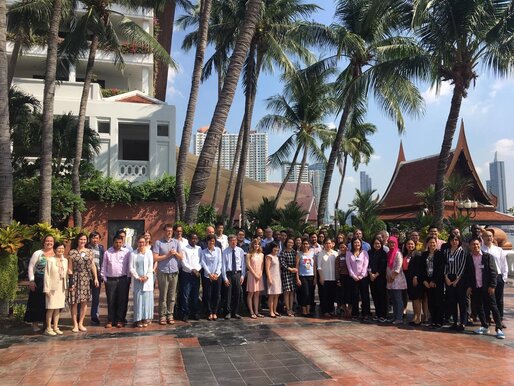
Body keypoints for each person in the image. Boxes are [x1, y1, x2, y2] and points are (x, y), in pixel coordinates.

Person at [468, 238, 505, 339]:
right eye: (473, 244)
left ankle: (499, 329)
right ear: (470, 246)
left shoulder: (487, 257)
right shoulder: (469, 258)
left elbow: (494, 273)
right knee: (479, 307)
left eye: (477, 244)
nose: (475, 246)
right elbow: (468, 274)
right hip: (476, 287)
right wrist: (470, 287)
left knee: (493, 307)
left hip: (487, 287)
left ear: (480, 244)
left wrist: (492, 286)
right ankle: (484, 325)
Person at [69, 233, 99, 332]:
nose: (83, 241)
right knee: (74, 302)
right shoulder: (72, 252)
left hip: (86, 278)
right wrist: (71, 282)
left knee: (84, 302)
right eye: (81, 239)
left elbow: (93, 265)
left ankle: (81, 323)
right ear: (77, 240)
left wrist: (95, 278)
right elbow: (70, 269)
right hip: (75, 278)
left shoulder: (90, 252)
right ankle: (75, 324)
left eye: (84, 239)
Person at [153, 224, 183, 325]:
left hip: (174, 271)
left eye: (171, 231)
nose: (169, 232)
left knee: (172, 296)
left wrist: (175, 253)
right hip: (163, 272)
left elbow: (181, 257)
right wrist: (167, 255)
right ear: (164, 231)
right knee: (163, 295)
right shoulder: (158, 243)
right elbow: (155, 258)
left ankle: (170, 315)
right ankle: (162, 316)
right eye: (167, 230)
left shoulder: (176, 242)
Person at [25, 235, 54, 332]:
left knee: (49, 304)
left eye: (51, 241)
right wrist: (32, 280)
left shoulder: (56, 253)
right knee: (36, 303)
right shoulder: (38, 253)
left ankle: (48, 325)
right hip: (39, 280)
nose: (49, 242)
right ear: (44, 242)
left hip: (51, 282)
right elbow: (31, 267)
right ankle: (35, 324)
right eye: (47, 241)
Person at [101, 235, 131, 328]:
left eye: (120, 242)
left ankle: (120, 320)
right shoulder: (107, 252)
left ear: (122, 243)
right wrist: (104, 278)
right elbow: (104, 266)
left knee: (122, 300)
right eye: (116, 242)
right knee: (111, 300)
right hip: (111, 280)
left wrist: (128, 278)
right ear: (113, 242)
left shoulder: (127, 252)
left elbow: (129, 266)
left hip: (123, 279)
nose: (118, 244)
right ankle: (110, 320)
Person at [481, 229, 508, 328]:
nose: (489, 238)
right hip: (486, 278)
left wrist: (504, 278)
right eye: (486, 236)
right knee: (486, 299)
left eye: (490, 236)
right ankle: (487, 319)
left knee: (499, 300)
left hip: (498, 277)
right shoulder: (480, 250)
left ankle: (500, 320)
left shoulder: (498, 250)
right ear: (482, 238)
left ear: (493, 238)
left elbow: (504, 264)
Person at [444, 234, 468, 331]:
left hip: (459, 278)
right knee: (452, 301)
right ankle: (455, 322)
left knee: (461, 302)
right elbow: (445, 265)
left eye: (456, 240)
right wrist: (446, 277)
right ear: (449, 241)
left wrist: (457, 280)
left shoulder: (462, 251)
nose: (454, 242)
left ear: (459, 241)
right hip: (449, 277)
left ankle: (463, 322)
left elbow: (462, 266)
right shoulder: (446, 251)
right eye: (453, 240)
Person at [43, 242, 68, 336]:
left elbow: (66, 276)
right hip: (52, 287)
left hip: (61, 286)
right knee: (51, 308)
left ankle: (55, 327)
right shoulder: (50, 260)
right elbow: (47, 275)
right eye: (59, 248)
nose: (61, 250)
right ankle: (48, 328)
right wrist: (46, 289)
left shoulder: (65, 260)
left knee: (58, 308)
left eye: (62, 248)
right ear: (55, 249)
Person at [129, 235, 154, 328]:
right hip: (137, 281)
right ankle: (138, 319)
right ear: (137, 243)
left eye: (143, 242)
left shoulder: (149, 253)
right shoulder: (133, 254)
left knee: (146, 300)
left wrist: (146, 276)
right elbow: (131, 267)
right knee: (138, 300)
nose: (141, 244)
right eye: (139, 242)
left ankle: (145, 318)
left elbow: (150, 266)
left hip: (147, 280)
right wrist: (137, 277)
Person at [420, 236, 444, 327]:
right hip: (427, 281)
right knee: (431, 302)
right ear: (427, 244)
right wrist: (424, 281)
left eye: (434, 242)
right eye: (430, 242)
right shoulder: (424, 254)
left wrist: (434, 281)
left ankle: (439, 321)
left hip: (437, 282)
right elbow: (422, 269)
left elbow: (441, 269)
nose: (432, 244)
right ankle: (433, 320)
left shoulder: (440, 254)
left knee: (438, 301)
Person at [221, 235, 246, 319]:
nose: (234, 242)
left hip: (237, 274)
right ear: (228, 242)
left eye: (235, 240)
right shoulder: (225, 251)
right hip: (229, 274)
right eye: (232, 240)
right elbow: (223, 265)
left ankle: (235, 312)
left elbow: (243, 264)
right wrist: (224, 277)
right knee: (228, 293)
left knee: (237, 293)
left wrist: (242, 275)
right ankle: (227, 312)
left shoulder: (240, 251)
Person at [346, 238, 371, 319]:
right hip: (353, 278)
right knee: (355, 296)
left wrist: (361, 276)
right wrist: (353, 276)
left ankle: (366, 313)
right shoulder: (349, 253)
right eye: (355, 243)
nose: (357, 244)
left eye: (358, 242)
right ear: (352, 244)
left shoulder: (365, 253)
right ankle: (355, 313)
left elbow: (365, 265)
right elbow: (349, 266)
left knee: (365, 296)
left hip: (363, 278)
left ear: (361, 243)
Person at [179, 233, 202, 322]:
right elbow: (183, 262)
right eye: (192, 239)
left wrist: (197, 269)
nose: (194, 240)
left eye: (196, 239)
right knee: (185, 294)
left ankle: (195, 313)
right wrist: (192, 269)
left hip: (196, 274)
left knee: (195, 294)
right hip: (187, 274)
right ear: (188, 239)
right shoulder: (184, 249)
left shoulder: (199, 249)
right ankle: (185, 313)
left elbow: (201, 261)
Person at [386, 237, 407, 324]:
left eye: (393, 243)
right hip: (390, 280)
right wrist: (387, 277)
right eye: (390, 243)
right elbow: (387, 266)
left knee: (398, 299)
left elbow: (398, 266)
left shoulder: (398, 253)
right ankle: (395, 316)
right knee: (393, 299)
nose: (391, 244)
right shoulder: (389, 253)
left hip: (397, 280)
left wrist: (392, 277)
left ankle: (399, 317)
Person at [200, 235, 222, 321]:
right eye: (210, 241)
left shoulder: (218, 250)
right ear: (207, 242)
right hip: (207, 276)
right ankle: (209, 312)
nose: (211, 243)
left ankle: (215, 312)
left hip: (217, 275)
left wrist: (216, 273)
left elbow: (220, 262)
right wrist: (209, 274)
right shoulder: (203, 251)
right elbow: (203, 263)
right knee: (207, 295)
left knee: (217, 295)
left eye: (213, 241)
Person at [86, 231, 105, 326]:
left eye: (97, 238)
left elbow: (103, 261)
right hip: (86, 274)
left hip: (97, 274)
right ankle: (78, 316)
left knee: (96, 297)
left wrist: (101, 274)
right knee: (84, 297)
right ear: (90, 239)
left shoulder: (101, 248)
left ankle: (94, 317)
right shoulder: (85, 247)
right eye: (93, 238)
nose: (95, 240)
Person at [406, 239, 426, 326]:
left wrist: (415, 277)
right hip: (409, 280)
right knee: (413, 299)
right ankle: (415, 316)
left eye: (412, 244)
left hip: (416, 280)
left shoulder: (417, 254)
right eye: (408, 244)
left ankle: (418, 318)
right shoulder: (408, 254)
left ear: (415, 245)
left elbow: (418, 267)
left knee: (417, 299)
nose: (410, 246)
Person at [317, 238, 338, 317]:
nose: (328, 245)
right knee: (324, 295)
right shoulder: (321, 254)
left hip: (333, 278)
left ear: (332, 244)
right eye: (326, 243)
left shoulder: (335, 253)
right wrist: (321, 277)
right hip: (324, 278)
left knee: (332, 295)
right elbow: (319, 267)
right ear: (324, 244)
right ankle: (325, 311)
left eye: (329, 243)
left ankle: (331, 310)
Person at [368, 237, 388, 322]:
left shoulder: (383, 253)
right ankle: (377, 313)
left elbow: (383, 266)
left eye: (379, 243)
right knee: (375, 296)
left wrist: (376, 274)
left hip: (381, 278)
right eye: (376, 243)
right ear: (373, 244)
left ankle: (383, 315)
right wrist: (370, 274)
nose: (377, 245)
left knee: (382, 296)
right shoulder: (369, 253)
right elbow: (367, 264)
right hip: (371, 278)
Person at [296, 239, 316, 317]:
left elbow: (314, 266)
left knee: (310, 294)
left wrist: (315, 278)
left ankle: (308, 310)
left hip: (311, 276)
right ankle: (304, 310)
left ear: (309, 245)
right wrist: (297, 278)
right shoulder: (299, 254)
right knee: (305, 293)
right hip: (302, 276)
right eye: (304, 244)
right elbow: (297, 267)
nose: (305, 245)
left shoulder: (312, 254)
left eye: (307, 244)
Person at [246, 239, 265, 319]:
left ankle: (256, 312)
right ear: (252, 245)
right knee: (251, 294)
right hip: (252, 275)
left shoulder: (261, 254)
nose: (256, 246)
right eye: (255, 244)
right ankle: (251, 312)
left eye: (258, 244)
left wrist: (260, 274)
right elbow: (248, 266)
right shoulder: (249, 254)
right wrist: (255, 275)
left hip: (259, 276)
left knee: (257, 294)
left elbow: (262, 265)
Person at [280, 238, 297, 317]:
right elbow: (282, 263)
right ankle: (287, 309)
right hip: (286, 273)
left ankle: (291, 308)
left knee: (292, 292)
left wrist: (295, 269)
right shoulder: (283, 252)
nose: (291, 244)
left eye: (292, 242)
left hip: (293, 273)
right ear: (286, 243)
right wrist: (290, 269)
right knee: (287, 292)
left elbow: (297, 262)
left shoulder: (294, 252)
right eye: (289, 242)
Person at [265, 242, 282, 317]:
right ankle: (271, 311)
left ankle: (275, 310)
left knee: (277, 295)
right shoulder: (269, 256)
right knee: (271, 295)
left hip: (278, 277)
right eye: (275, 247)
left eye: (278, 247)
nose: (277, 249)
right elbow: (267, 268)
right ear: (272, 248)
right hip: (272, 277)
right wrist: (269, 278)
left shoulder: (277, 256)